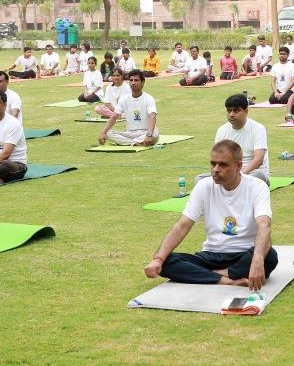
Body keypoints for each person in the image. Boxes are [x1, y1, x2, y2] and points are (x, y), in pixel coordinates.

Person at [144, 139, 277, 289]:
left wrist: (257, 259)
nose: (215, 169)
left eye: (223, 165)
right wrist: (159, 259)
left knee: (270, 256)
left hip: (244, 254)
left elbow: (264, 226)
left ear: (238, 166)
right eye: (213, 164)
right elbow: (182, 225)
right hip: (212, 254)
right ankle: (228, 279)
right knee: (166, 262)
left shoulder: (257, 187)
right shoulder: (204, 186)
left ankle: (209, 274)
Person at [213, 94, 270, 184]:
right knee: (200, 179)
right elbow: (217, 158)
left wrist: (238, 174)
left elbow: (258, 160)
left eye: (236, 111)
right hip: (229, 173)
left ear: (246, 111)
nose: (231, 114)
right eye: (229, 111)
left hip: (251, 173)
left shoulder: (258, 129)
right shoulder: (222, 130)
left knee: (257, 177)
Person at [97, 69, 159, 146]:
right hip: (130, 133)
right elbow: (114, 117)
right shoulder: (124, 99)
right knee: (107, 134)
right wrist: (102, 133)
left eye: (136, 80)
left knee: (154, 135)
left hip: (146, 132)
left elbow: (152, 116)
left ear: (142, 83)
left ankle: (129, 142)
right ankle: (135, 143)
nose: (133, 83)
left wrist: (149, 135)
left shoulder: (148, 98)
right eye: (131, 80)